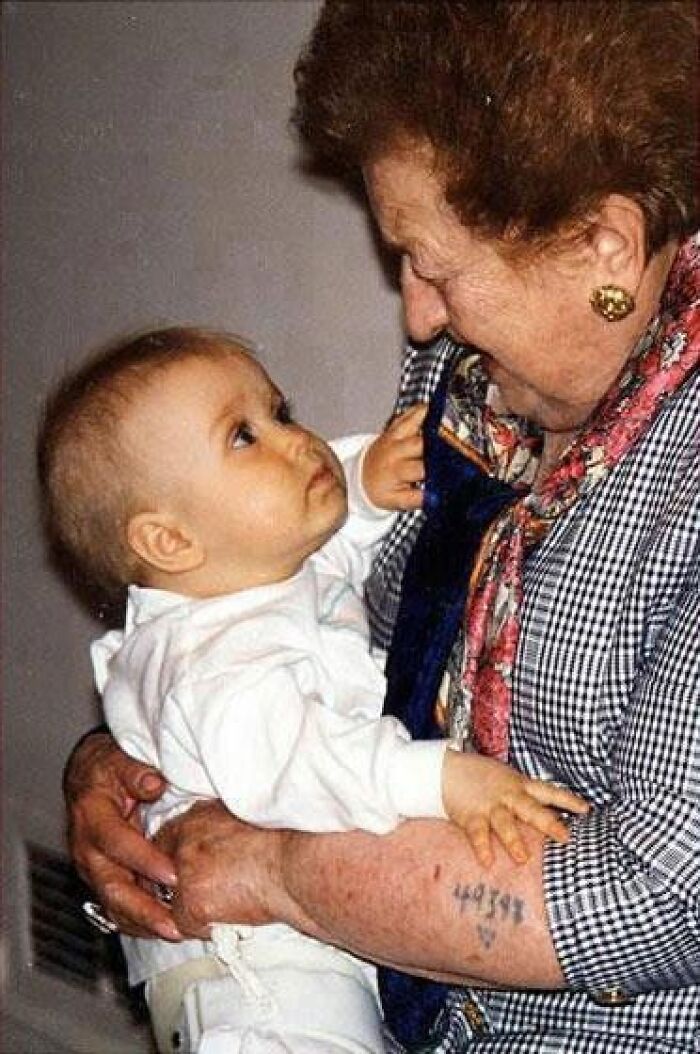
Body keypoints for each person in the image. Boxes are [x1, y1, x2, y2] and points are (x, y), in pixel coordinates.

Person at [63, 2, 699, 1051]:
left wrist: (270, 866)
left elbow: (656, 898)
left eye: (434, 268)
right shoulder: (471, 391)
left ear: (604, 247)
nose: (415, 316)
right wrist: (133, 759)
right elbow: (305, 619)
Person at [41, 326, 583, 1053]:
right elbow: (300, 763)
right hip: (262, 987)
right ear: (170, 542)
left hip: (291, 954)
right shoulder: (225, 661)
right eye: (243, 437)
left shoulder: (244, 581)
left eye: (281, 412)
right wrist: (441, 780)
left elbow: (325, 556)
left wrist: (359, 485)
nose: (296, 441)